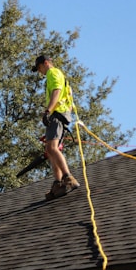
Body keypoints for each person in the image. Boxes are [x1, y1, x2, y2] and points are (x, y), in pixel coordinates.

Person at [32, 55, 80, 200]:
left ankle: (68, 178)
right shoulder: (59, 75)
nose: (40, 72)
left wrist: (48, 111)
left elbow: (57, 91)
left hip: (57, 114)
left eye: (39, 68)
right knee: (50, 149)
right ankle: (58, 183)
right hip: (62, 113)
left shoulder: (53, 73)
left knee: (52, 148)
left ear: (45, 63)